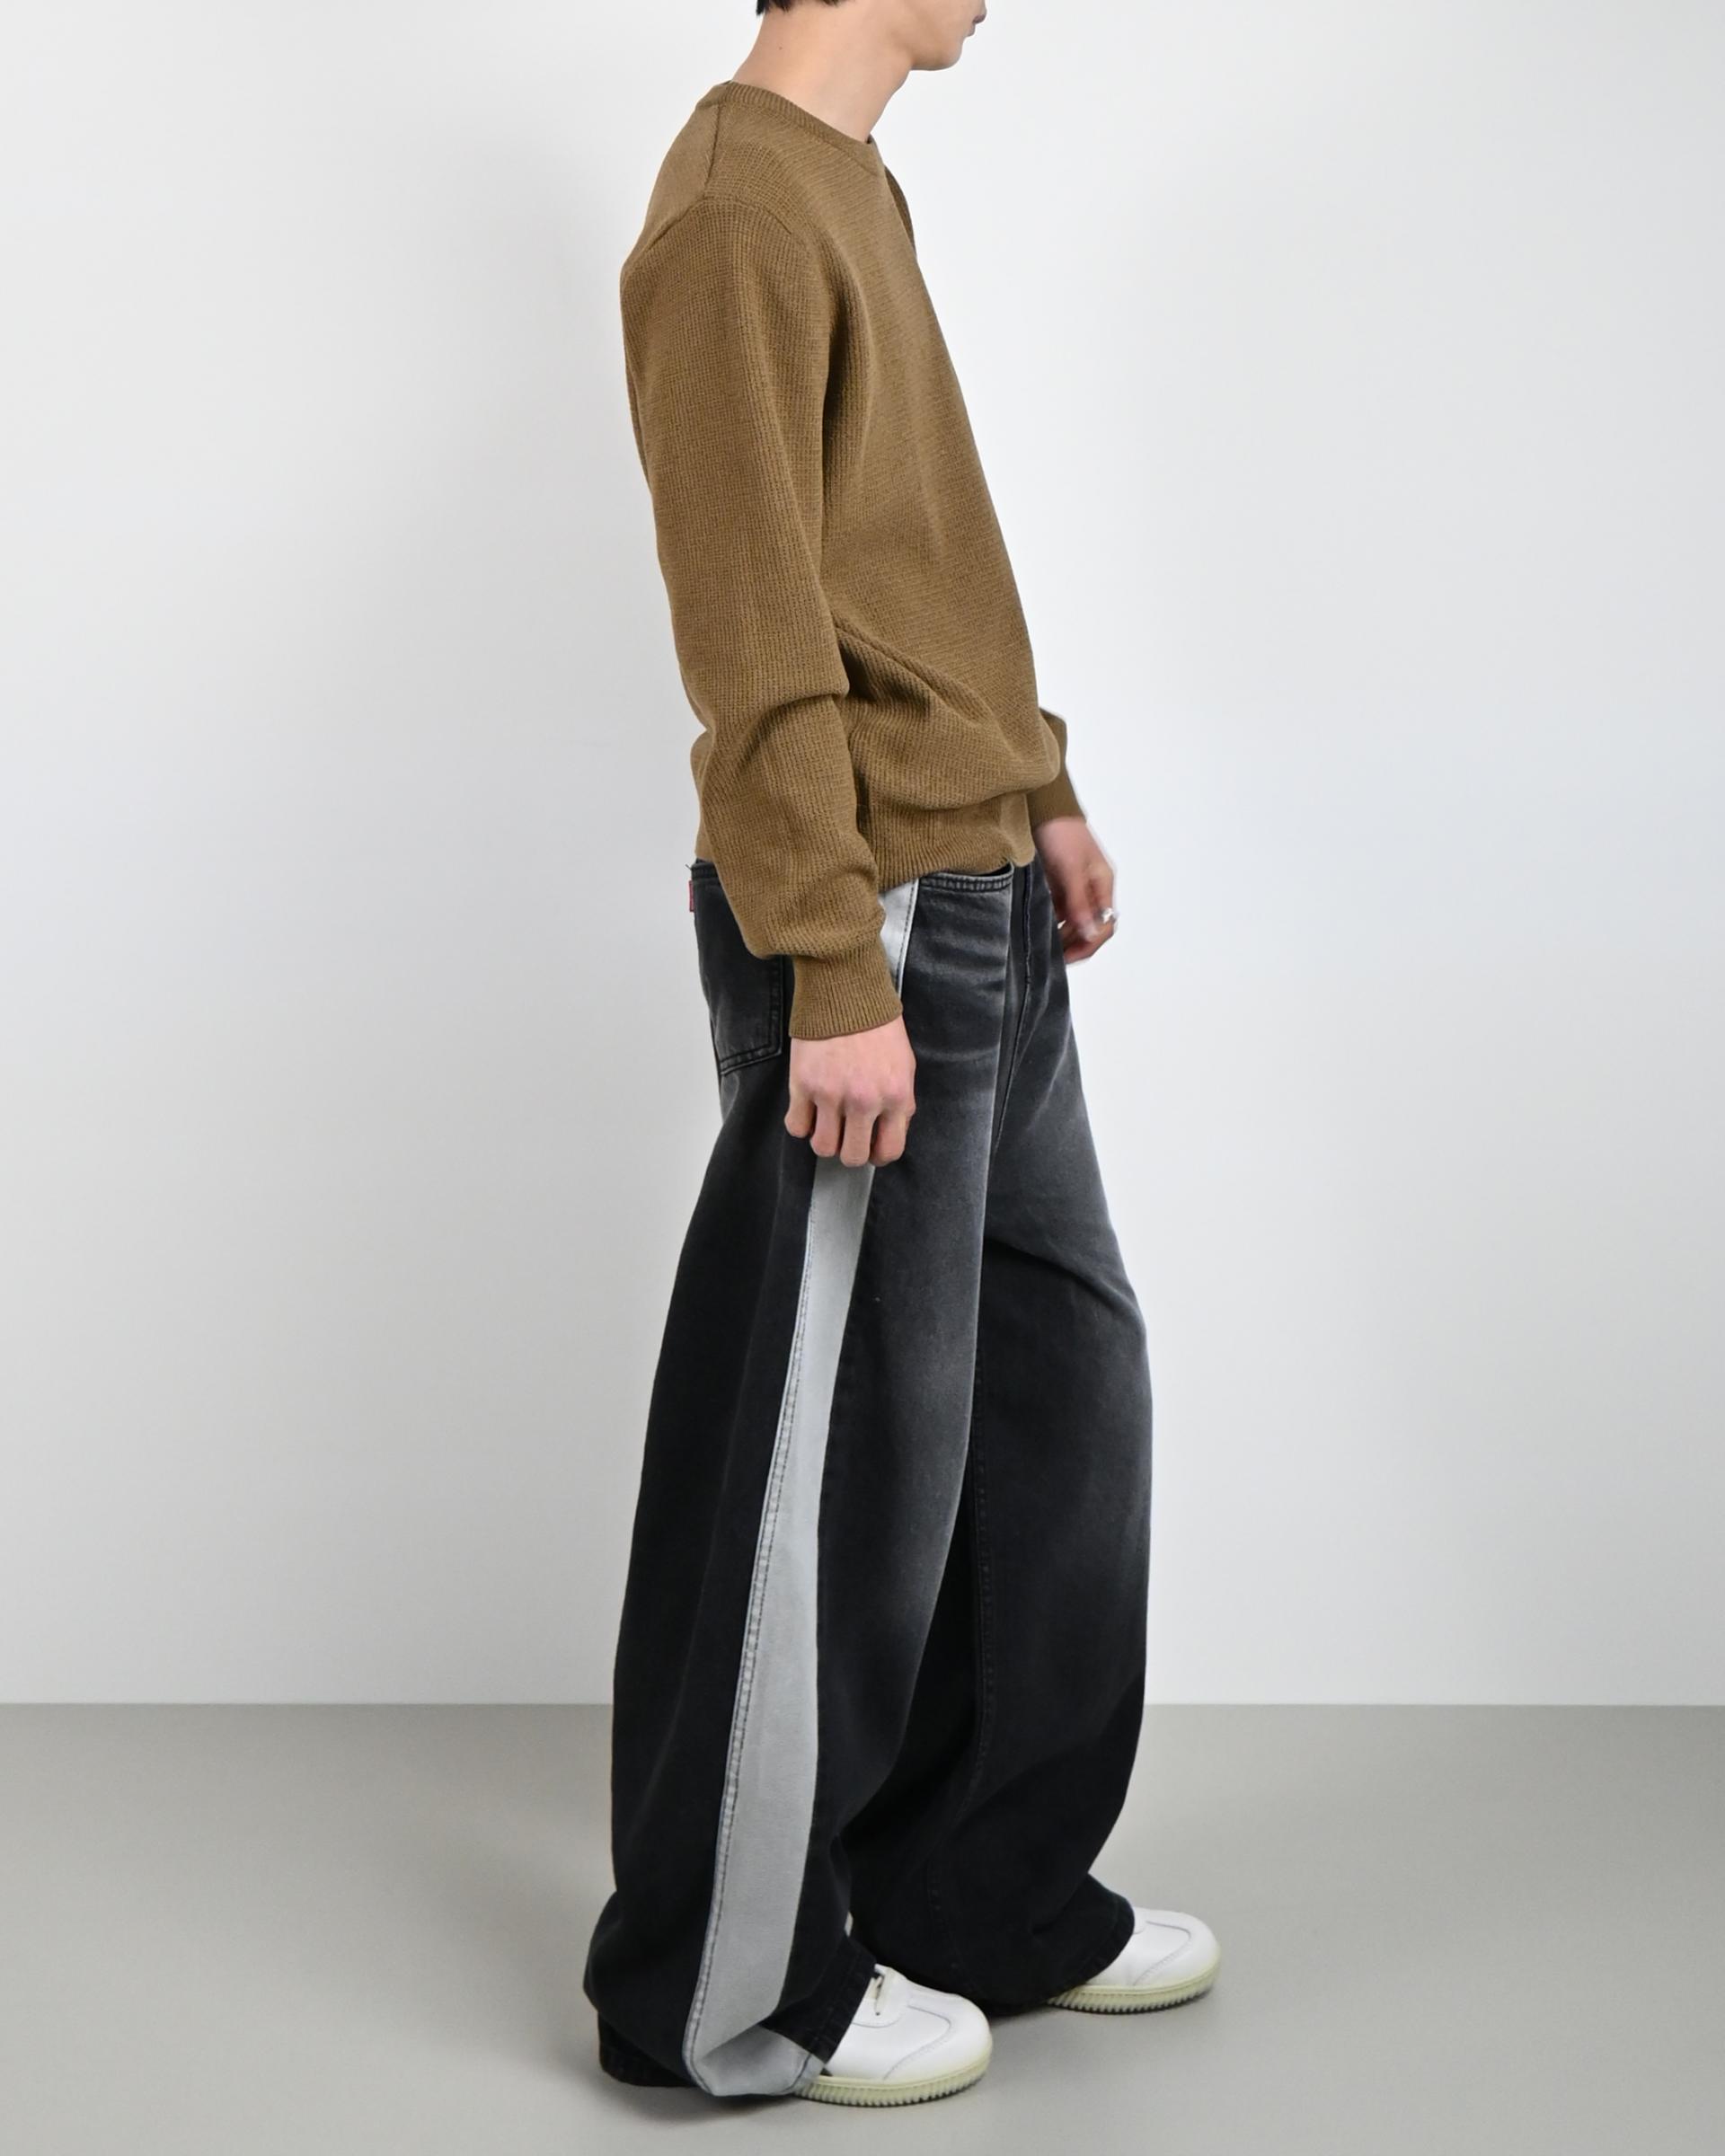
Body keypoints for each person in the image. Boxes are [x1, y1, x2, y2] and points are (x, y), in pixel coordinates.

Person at [582, 0, 1218, 2107]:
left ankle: (984, 1891)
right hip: (869, 921)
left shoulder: (849, 182)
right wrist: (826, 958)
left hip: (980, 888)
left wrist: (1039, 787)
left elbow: (917, 557)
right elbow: (753, 625)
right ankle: (731, 1981)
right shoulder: (733, 213)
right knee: (836, 1455)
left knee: (1059, 1393)